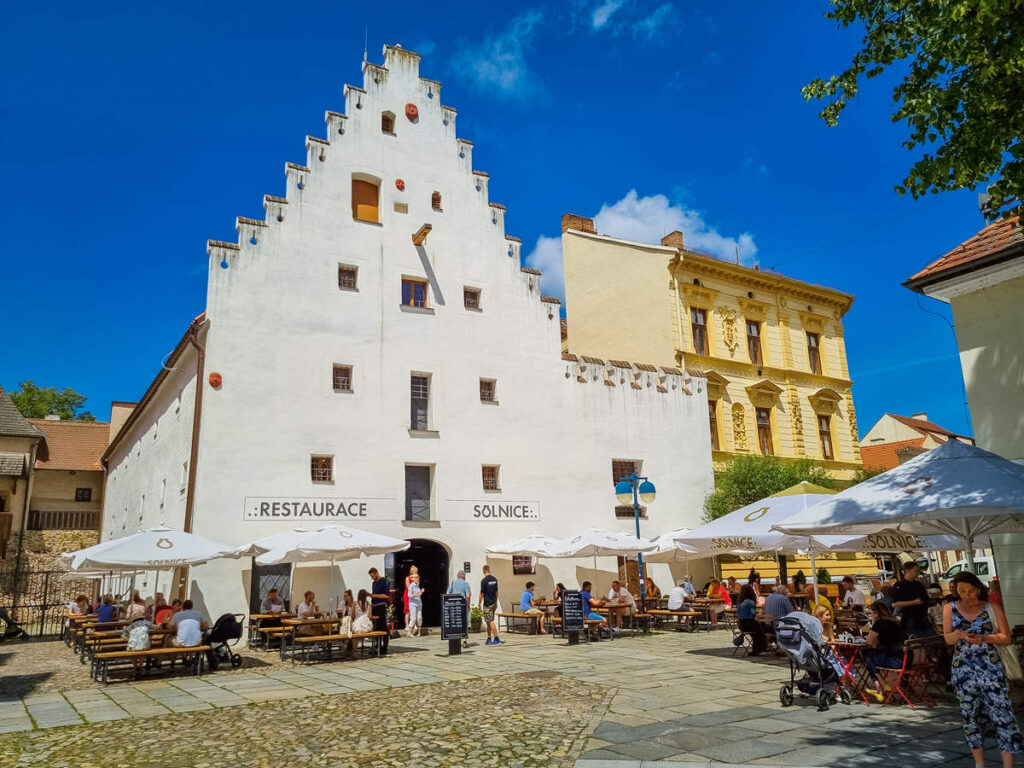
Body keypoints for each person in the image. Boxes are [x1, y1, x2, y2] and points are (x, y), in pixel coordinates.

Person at [943, 571, 1022, 766]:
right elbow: (947, 638)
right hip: (963, 669)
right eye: (962, 591)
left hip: (990, 666)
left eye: (970, 590)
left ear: (978, 588)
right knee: (970, 715)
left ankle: (1008, 764)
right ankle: (979, 763)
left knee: (1002, 713)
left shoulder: (992, 608)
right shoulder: (949, 608)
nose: (967, 595)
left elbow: (1006, 638)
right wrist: (959, 635)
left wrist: (985, 638)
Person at [861, 602, 905, 702]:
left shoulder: (880, 624)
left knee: (867, 655)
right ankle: (880, 688)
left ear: (876, 613)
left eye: (872, 612)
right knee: (869, 655)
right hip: (903, 658)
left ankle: (881, 686)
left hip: (893, 660)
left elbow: (869, 641)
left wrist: (873, 622)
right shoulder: (895, 622)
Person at [892, 561, 933, 636]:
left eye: (918, 571)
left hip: (922, 617)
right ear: (907, 571)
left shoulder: (918, 584)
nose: (917, 574)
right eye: (916, 571)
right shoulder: (899, 586)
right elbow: (895, 604)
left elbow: (925, 598)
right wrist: (914, 602)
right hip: (910, 619)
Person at [736, 584, 767, 655]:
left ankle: (758, 649)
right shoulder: (751, 602)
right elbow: (753, 614)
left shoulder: (739, 602)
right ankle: (760, 648)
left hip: (741, 625)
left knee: (757, 631)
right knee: (761, 630)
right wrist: (761, 611)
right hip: (749, 623)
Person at [368, 567, 391, 655]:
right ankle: (377, 645)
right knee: (375, 627)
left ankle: (384, 646)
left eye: (373, 576)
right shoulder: (374, 583)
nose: (372, 578)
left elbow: (386, 596)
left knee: (383, 626)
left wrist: (374, 595)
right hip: (374, 607)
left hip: (381, 606)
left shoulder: (383, 581)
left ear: (376, 573)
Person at [123, 612, 152, 677]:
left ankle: (136, 668)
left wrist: (125, 632)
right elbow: (155, 627)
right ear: (142, 618)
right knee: (142, 652)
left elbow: (124, 635)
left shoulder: (131, 626)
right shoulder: (147, 623)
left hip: (133, 647)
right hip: (144, 646)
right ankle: (140, 667)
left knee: (132, 653)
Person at [448, 570, 473, 647]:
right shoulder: (465, 584)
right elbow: (468, 596)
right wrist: (468, 604)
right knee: (464, 623)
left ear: (457, 576)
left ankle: (456, 640)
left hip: (454, 607)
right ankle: (464, 640)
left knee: (456, 623)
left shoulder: (452, 583)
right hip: (463, 606)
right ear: (464, 576)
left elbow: (448, 593)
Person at [479, 564, 501, 646]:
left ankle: (497, 638)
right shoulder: (494, 579)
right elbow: (496, 591)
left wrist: (479, 603)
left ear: (483, 571)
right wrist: (495, 600)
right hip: (494, 602)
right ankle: (488, 638)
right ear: (489, 570)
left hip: (487, 604)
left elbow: (482, 593)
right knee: (488, 621)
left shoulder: (484, 581)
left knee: (490, 621)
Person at [403, 565, 418, 631]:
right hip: (408, 595)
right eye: (415, 572)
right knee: (408, 610)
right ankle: (407, 625)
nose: (416, 573)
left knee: (414, 610)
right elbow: (409, 587)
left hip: (415, 594)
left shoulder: (417, 578)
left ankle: (414, 625)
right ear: (412, 572)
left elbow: (417, 586)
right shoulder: (407, 578)